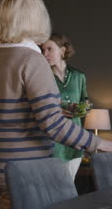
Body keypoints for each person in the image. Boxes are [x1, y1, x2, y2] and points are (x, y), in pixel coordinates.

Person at [0, 0, 112, 208]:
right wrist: (99, 143)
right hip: (26, 175)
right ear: (37, 18)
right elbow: (52, 123)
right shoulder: (31, 60)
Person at [40, 33, 90, 180]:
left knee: (71, 183)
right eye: (43, 50)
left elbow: (85, 101)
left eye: (49, 49)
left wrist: (84, 108)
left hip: (75, 139)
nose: (45, 54)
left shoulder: (79, 76)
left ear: (62, 51)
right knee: (56, 186)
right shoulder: (42, 76)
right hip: (53, 141)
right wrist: (57, 111)